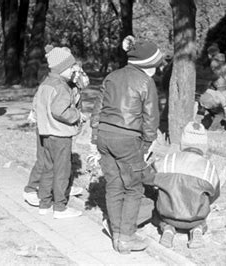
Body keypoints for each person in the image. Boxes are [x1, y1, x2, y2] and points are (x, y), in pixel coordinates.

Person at [91, 35, 163, 254]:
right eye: (156, 66)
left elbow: (97, 109)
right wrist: (148, 143)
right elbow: (151, 117)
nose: (157, 70)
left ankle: (116, 233)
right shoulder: (145, 81)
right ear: (148, 65)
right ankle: (126, 238)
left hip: (104, 135)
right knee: (133, 187)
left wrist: (95, 139)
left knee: (113, 185)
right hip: (128, 138)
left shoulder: (112, 76)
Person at [23, 59, 89, 207]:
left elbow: (75, 104)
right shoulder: (56, 84)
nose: (76, 73)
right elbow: (48, 105)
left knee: (62, 163)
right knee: (45, 161)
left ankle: (61, 188)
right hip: (48, 127)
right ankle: (31, 189)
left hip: (58, 128)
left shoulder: (72, 84)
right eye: (74, 70)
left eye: (78, 71)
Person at [151, 121, 220, 249]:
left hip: (168, 216)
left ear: (182, 143)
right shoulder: (208, 168)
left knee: (155, 206)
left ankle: (167, 229)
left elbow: (151, 181)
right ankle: (198, 230)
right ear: (204, 146)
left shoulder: (166, 160)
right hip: (195, 218)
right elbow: (215, 195)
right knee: (204, 207)